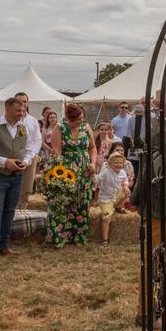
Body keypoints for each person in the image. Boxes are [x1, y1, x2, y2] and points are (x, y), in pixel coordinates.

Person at [130, 86, 166, 327]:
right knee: (151, 259)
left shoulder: (165, 130)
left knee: (156, 257)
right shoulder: (162, 132)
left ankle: (155, 306)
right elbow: (151, 171)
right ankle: (146, 313)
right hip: (158, 205)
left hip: (162, 204)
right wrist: (135, 198)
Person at [0, 97, 39, 264]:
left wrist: (26, 160)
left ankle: (4, 246)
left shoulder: (23, 127)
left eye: (24, 110)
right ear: (8, 109)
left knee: (9, 213)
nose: (22, 113)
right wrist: (4, 162)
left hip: (16, 177)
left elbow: (29, 147)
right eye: (19, 111)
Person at [48, 103, 97, 248]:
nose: (80, 121)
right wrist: (62, 172)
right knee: (62, 202)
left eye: (82, 118)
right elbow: (57, 151)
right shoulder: (59, 128)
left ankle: (78, 236)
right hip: (66, 170)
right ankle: (59, 238)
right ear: (68, 119)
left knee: (81, 203)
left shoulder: (86, 127)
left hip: (85, 171)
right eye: (77, 120)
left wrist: (93, 163)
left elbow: (93, 147)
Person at [94, 151, 130, 245]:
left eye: (120, 163)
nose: (118, 164)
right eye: (116, 162)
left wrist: (126, 186)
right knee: (106, 218)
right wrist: (92, 175)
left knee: (127, 192)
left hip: (116, 196)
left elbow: (125, 181)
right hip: (106, 199)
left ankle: (118, 206)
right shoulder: (106, 172)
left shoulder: (122, 172)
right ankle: (105, 240)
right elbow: (97, 179)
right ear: (110, 164)